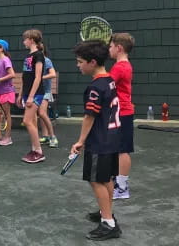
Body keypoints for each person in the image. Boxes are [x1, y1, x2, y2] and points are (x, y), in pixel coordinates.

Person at [71, 40, 122, 241]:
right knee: (106, 178)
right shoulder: (110, 80)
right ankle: (106, 212)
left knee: (96, 180)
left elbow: (89, 117)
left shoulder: (95, 88)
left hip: (99, 141)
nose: (78, 65)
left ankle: (108, 223)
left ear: (92, 62)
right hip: (112, 138)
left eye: (80, 61)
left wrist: (80, 141)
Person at [109, 33, 135, 200]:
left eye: (110, 46)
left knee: (123, 149)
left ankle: (122, 187)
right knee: (119, 148)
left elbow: (107, 85)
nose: (108, 49)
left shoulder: (120, 67)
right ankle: (118, 181)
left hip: (122, 112)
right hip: (121, 111)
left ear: (119, 48)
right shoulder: (124, 65)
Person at [17, 29, 46, 163]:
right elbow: (26, 77)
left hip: (35, 94)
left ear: (32, 40)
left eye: (25, 39)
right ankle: (34, 148)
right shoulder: (28, 56)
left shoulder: (39, 55)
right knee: (32, 121)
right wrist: (21, 94)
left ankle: (39, 152)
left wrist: (31, 96)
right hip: (27, 93)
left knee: (27, 121)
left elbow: (37, 77)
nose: (24, 42)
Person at [38, 47, 59, 148]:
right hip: (36, 92)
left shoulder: (46, 60)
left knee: (42, 113)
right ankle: (45, 136)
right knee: (42, 114)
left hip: (45, 92)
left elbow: (53, 74)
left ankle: (53, 137)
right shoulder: (33, 61)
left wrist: (40, 77)